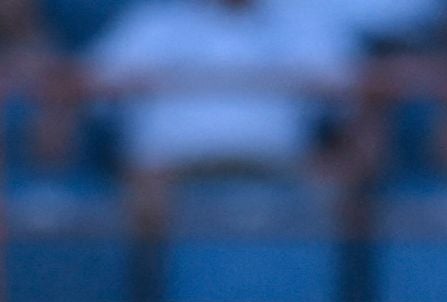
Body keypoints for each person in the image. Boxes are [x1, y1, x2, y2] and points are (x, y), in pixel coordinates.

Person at [87, 0, 354, 184]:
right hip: (170, 162)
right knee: (139, 185)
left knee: (335, 184)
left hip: (278, 160)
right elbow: (91, 90)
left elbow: (348, 96)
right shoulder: (153, 23)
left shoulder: (304, 25)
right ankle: (145, 267)